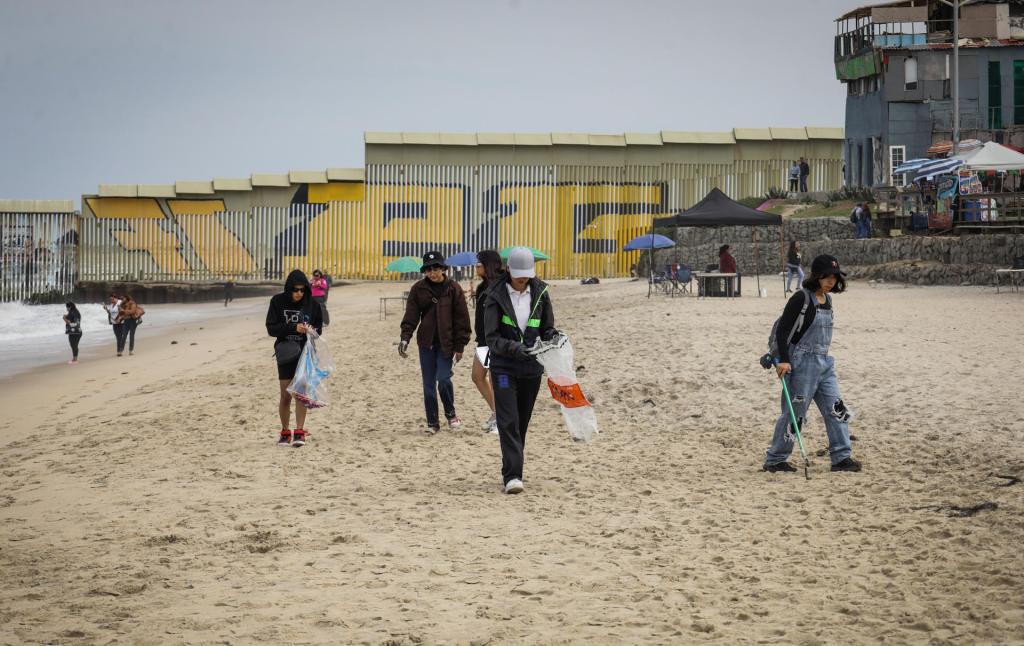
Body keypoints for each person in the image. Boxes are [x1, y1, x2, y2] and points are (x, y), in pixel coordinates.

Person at [763, 254, 861, 473]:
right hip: (801, 365)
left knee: (836, 409)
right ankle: (775, 459)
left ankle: (841, 457)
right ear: (816, 276)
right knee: (794, 414)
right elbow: (783, 330)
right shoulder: (801, 298)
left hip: (825, 364)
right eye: (826, 277)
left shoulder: (829, 300)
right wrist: (785, 360)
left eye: (834, 278)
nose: (830, 281)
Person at [483, 247, 557, 494]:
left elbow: (546, 327)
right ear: (508, 270)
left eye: (526, 275)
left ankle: (512, 465)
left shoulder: (541, 293)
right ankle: (512, 476)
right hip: (504, 368)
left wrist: (553, 336)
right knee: (508, 421)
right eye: (518, 275)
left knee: (521, 422)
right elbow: (492, 339)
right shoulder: (494, 296)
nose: (523, 279)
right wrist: (516, 349)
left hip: (532, 369)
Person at [398, 251, 472, 435]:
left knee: (444, 380)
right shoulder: (418, 289)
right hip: (426, 343)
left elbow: (462, 320)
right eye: (428, 269)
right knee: (429, 385)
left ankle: (451, 414)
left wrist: (460, 346)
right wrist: (405, 338)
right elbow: (411, 316)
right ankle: (433, 422)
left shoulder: (454, 288)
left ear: (443, 268)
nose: (432, 272)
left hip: (447, 344)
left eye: (436, 268)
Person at [266, 269, 324, 447]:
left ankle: (299, 431)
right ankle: (285, 432)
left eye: (302, 290)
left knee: (301, 394)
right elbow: (271, 328)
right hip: (285, 353)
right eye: (295, 290)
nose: (299, 293)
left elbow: (319, 329)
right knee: (285, 396)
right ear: (289, 289)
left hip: (305, 353)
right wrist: (293, 328)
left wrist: (310, 330)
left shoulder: (312, 304)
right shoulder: (277, 301)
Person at [472, 250, 504, 434]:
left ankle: (502, 419)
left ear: (489, 265)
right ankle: (496, 412)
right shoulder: (482, 287)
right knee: (477, 376)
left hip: (497, 340)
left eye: (479, 264)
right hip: (483, 340)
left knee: (497, 380)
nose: (477, 267)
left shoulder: (502, 285)